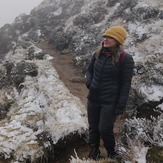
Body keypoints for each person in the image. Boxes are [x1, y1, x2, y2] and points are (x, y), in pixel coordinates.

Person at [85, 26, 134, 160]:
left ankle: (111, 153)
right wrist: (89, 82)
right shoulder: (98, 53)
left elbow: (126, 84)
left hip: (110, 101)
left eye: (110, 37)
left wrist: (120, 106)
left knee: (104, 129)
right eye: (105, 36)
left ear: (118, 40)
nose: (105, 39)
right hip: (93, 98)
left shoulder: (125, 59)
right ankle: (94, 151)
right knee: (93, 127)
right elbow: (89, 71)